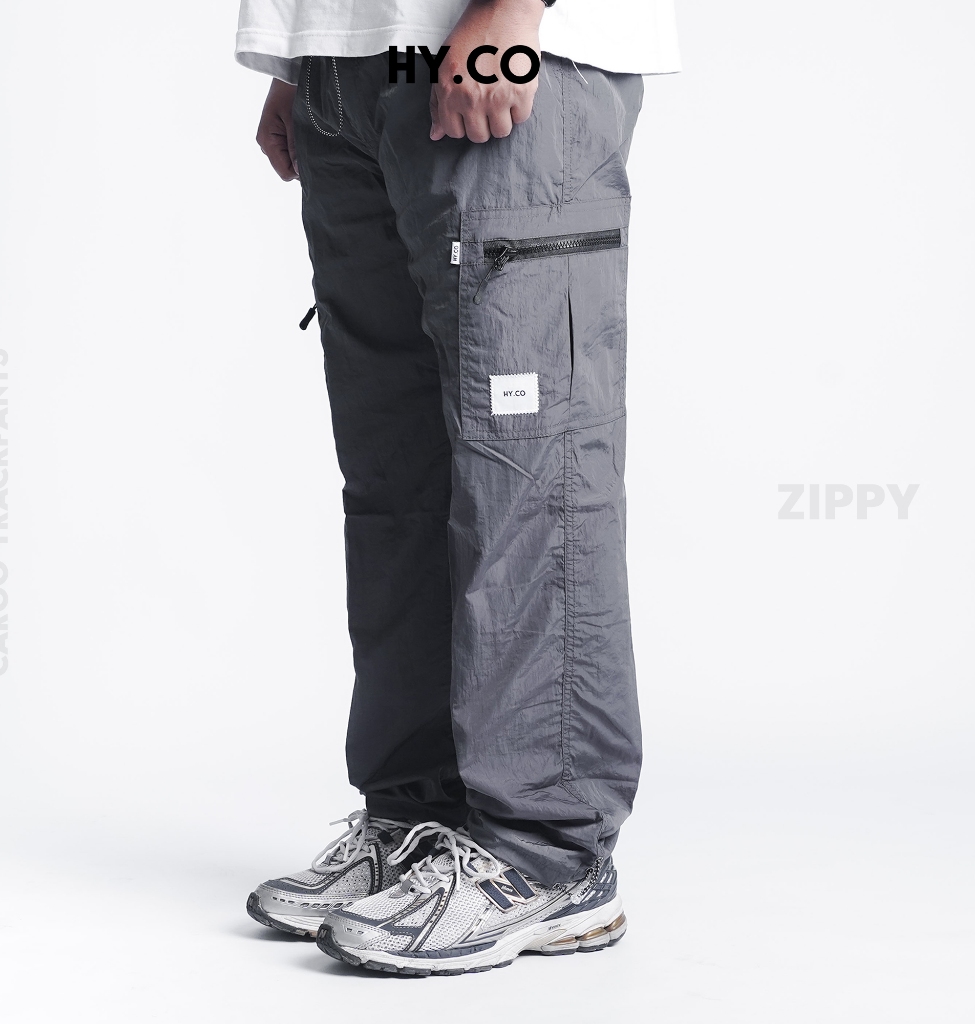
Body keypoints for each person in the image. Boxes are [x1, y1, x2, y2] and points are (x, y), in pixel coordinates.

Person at [235, 0, 680, 975]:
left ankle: (547, 848)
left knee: (530, 473)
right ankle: (419, 815)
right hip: (351, 60)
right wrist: (308, 56)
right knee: (397, 472)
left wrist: (514, 8)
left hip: (504, 45)